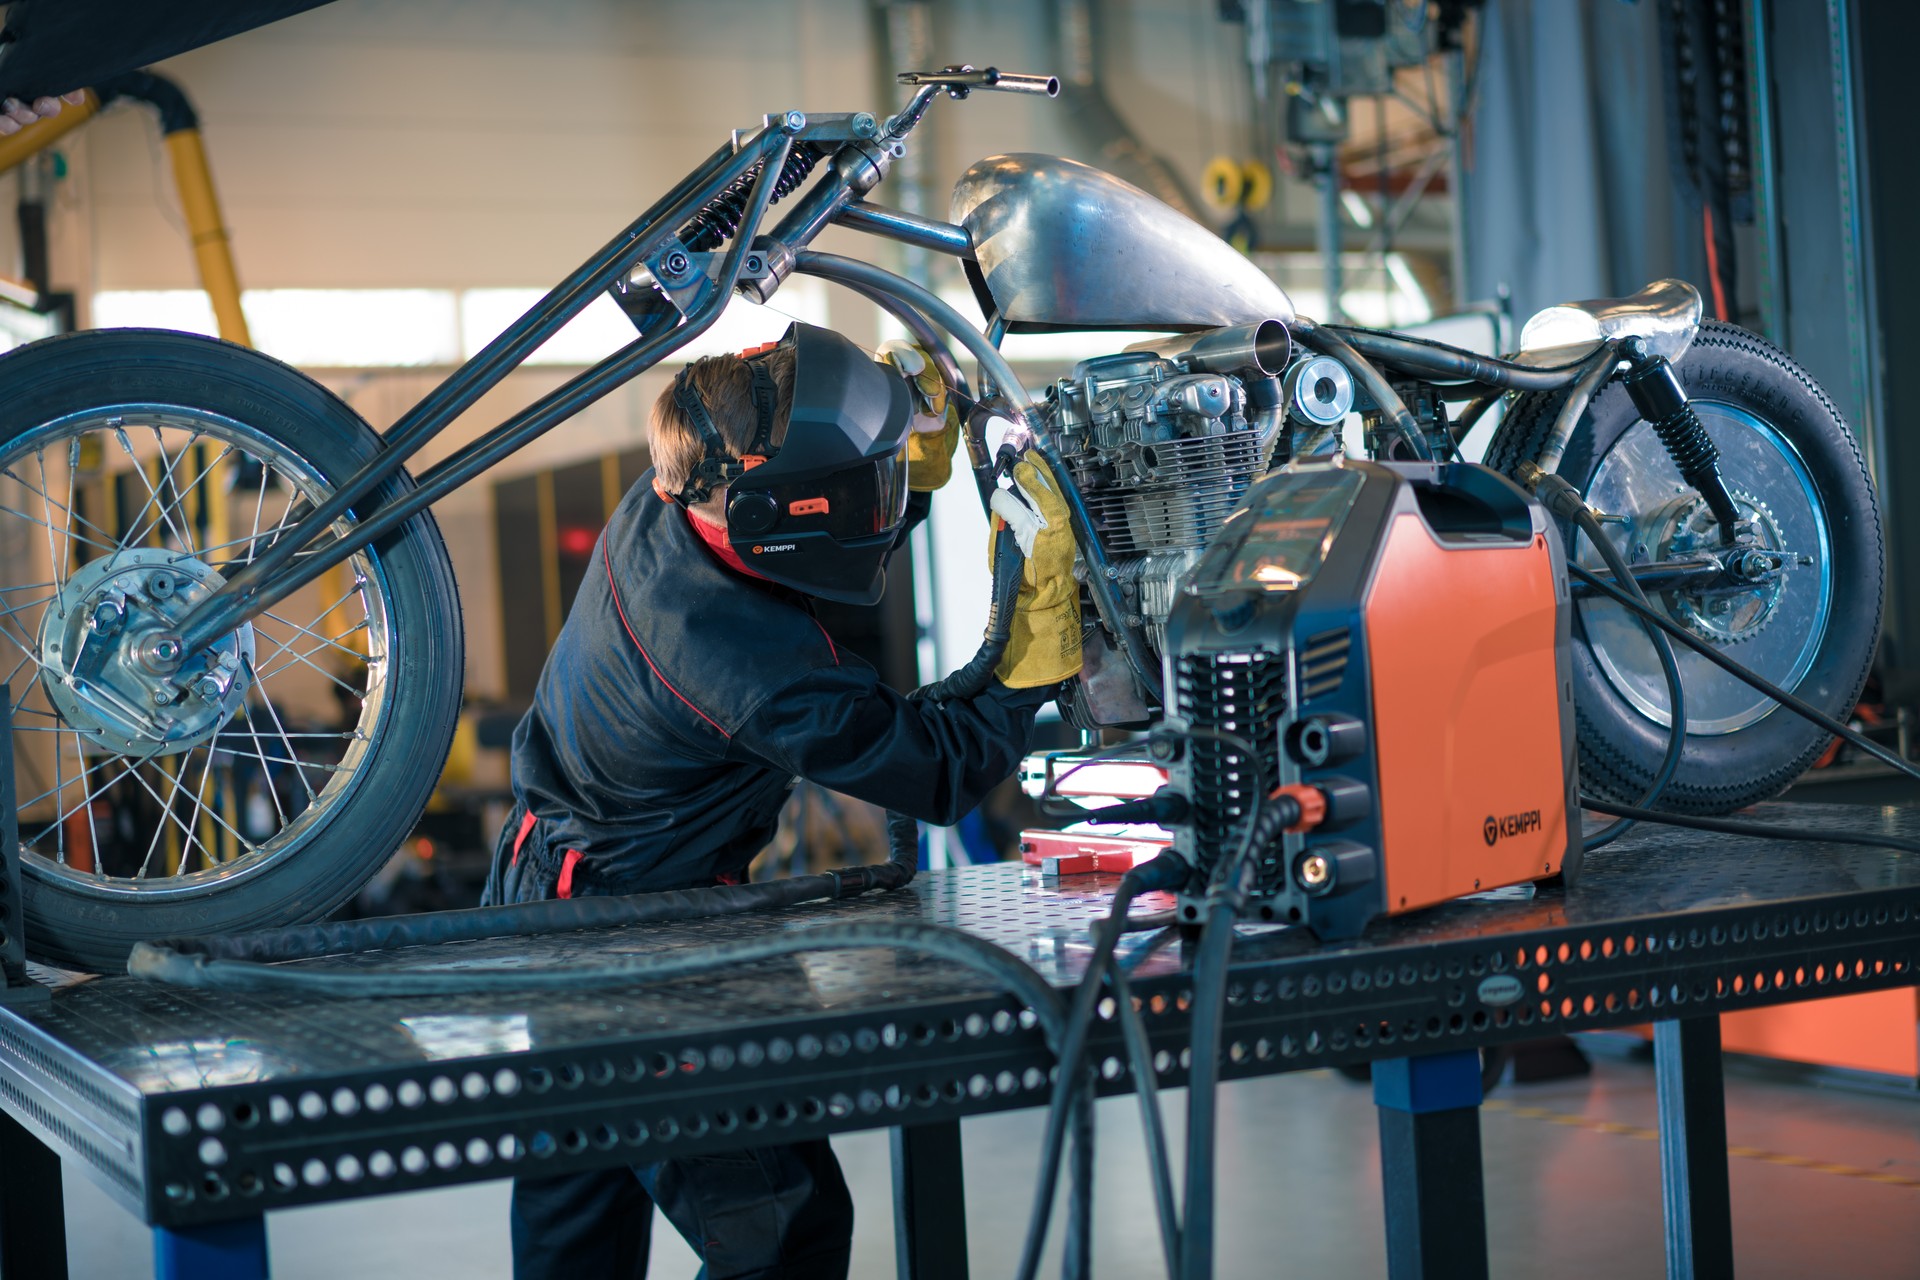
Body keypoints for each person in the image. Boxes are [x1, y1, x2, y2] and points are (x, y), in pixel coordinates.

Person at [483, 321, 1080, 1279]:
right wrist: (1031, 661)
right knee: (779, 1226)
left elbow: (808, 541)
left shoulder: (672, 494)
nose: (881, 495)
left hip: (540, 898)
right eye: (868, 485)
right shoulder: (747, 670)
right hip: (644, 951)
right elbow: (936, 766)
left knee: (577, 1223)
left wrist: (898, 469)